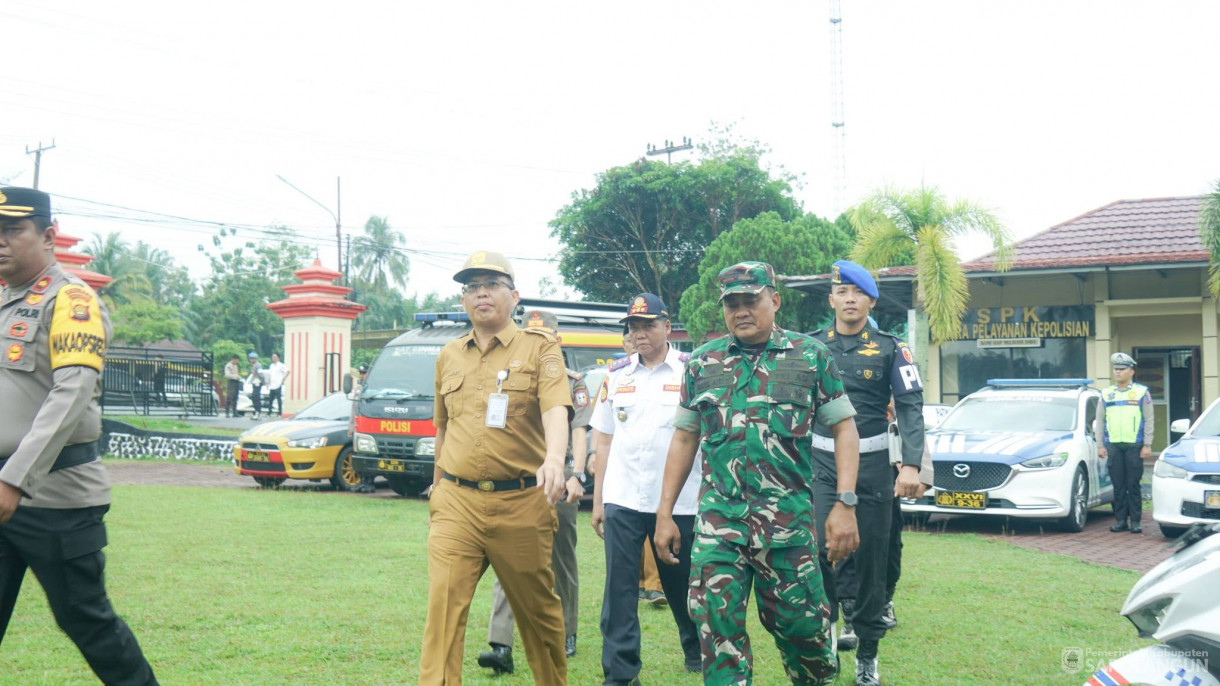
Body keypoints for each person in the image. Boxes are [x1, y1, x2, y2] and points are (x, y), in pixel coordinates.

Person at [655, 261, 861, 686]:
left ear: (774, 300)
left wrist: (845, 502)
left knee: (806, 635)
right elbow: (683, 440)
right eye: (732, 303)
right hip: (719, 526)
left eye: (751, 300)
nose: (741, 311)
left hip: (788, 528)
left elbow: (844, 429)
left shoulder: (810, 356)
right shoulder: (702, 363)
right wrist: (664, 513)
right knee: (718, 635)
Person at [0, 186, 159, 685]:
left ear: (47, 236)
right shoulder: (6, 302)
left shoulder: (70, 301)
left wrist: (15, 479)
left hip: (56, 499)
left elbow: (70, 395)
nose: (1, 243)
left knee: (85, 620)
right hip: (3, 492)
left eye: (12, 231)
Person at [419, 251, 572, 685]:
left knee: (538, 614)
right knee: (442, 612)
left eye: (491, 283)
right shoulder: (448, 355)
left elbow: (556, 410)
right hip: (456, 503)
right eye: (471, 286)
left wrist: (555, 460)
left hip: (522, 501)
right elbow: (443, 429)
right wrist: (437, 492)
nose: (480, 292)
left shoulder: (540, 348)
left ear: (514, 296)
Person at [811, 260, 926, 686]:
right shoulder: (810, 347)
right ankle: (825, 647)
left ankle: (868, 657)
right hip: (821, 465)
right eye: (842, 292)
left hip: (876, 467)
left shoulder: (893, 348)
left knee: (873, 562)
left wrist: (911, 465)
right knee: (820, 557)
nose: (850, 300)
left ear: (871, 300)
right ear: (832, 300)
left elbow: (911, 408)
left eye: (858, 293)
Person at [590, 293, 702, 684]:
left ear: (667, 327)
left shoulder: (691, 371)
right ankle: (621, 674)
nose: (640, 333)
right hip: (623, 497)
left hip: (680, 501)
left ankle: (695, 644)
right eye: (633, 326)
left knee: (681, 582)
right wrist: (600, 498)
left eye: (648, 325)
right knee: (619, 591)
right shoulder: (616, 375)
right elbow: (603, 439)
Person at [478, 309, 592, 674]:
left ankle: (567, 631)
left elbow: (579, 432)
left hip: (557, 484)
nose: (539, 340)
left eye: (546, 335)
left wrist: (575, 475)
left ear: (557, 339)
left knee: (560, 561)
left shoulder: (574, 382)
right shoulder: (509, 378)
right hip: (516, 483)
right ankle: (500, 644)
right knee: (506, 559)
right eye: (532, 333)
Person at [1096, 352, 1153, 534]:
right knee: (1118, 485)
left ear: (1131, 371)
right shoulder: (1106, 394)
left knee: (1133, 484)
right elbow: (1100, 421)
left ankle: (1135, 521)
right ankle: (1121, 521)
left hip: (1134, 445)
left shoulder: (1141, 392)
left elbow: (1149, 419)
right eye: (1116, 369)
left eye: (1122, 369)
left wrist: (1147, 444)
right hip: (1113, 445)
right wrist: (1100, 445)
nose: (1118, 372)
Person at [266, 353, 289, 417]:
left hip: (278, 384)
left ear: (278, 358)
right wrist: (268, 382)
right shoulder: (271, 365)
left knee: (278, 399)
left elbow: (288, 371)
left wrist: (283, 379)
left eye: (275, 357)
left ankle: (279, 412)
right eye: (273, 357)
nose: (273, 358)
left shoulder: (281, 365)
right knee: (270, 399)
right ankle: (269, 412)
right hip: (272, 385)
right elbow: (270, 375)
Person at [246, 352, 264, 419]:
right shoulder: (254, 365)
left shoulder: (258, 365)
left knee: (256, 398)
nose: (250, 360)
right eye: (250, 359)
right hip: (255, 383)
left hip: (258, 383)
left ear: (255, 359)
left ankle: (258, 413)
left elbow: (261, 375)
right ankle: (256, 412)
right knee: (254, 398)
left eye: (251, 359)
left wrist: (263, 382)